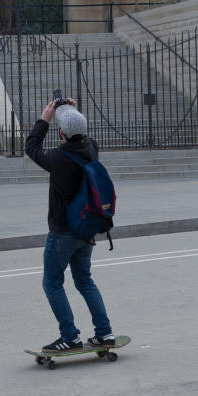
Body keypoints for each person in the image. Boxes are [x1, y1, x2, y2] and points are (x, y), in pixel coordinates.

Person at [24, 99, 114, 352]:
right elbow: (78, 131)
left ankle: (70, 337)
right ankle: (104, 333)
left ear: (61, 133)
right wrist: (70, 112)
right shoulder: (92, 148)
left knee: (52, 283)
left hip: (63, 230)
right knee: (85, 280)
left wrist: (45, 118)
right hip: (87, 227)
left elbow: (31, 148)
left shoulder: (58, 158)